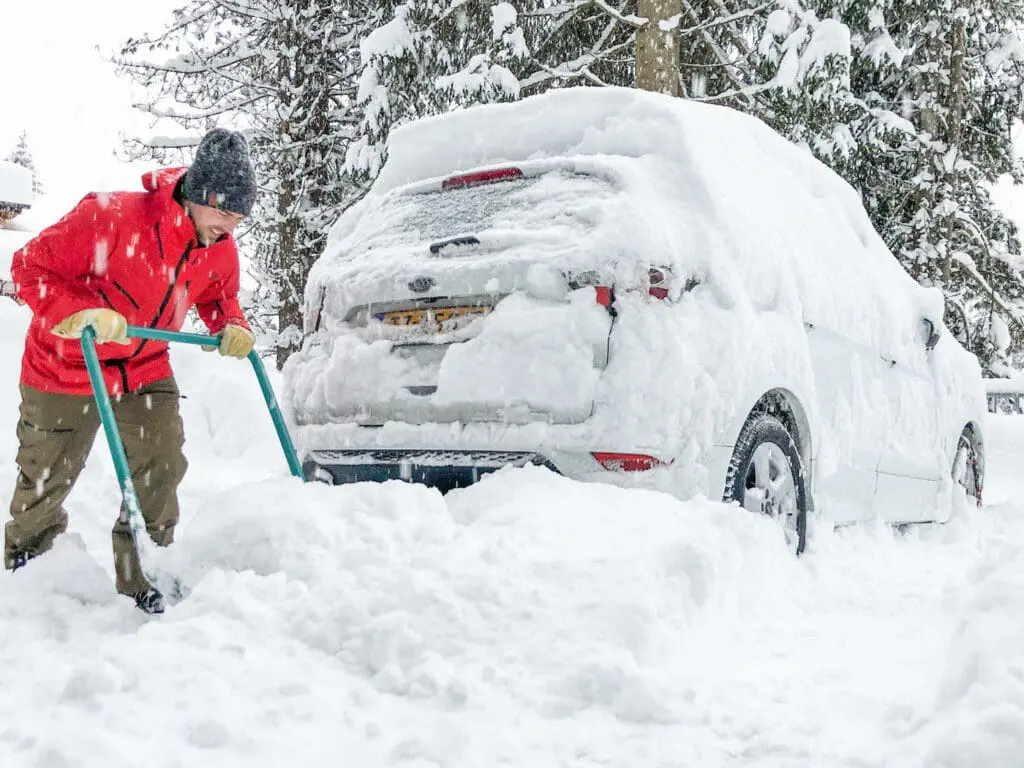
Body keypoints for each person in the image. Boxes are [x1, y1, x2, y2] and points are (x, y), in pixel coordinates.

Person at [3, 128, 258, 614]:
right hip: (65, 366)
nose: (233, 224)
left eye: (241, 214)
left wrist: (231, 324)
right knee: (44, 476)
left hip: (143, 365)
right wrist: (79, 311)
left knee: (161, 464)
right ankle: (32, 570)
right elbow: (28, 268)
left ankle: (146, 571)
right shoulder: (111, 216)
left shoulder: (218, 246)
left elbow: (219, 295)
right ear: (200, 194)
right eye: (226, 211)